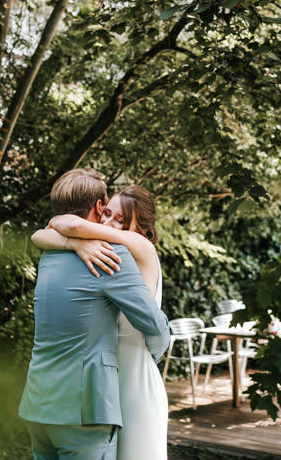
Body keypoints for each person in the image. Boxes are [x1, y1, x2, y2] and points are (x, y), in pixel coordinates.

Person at [18, 170, 170, 460]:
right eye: (108, 213)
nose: (110, 223)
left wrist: (70, 236)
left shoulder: (50, 254)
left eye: (121, 219)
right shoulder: (110, 256)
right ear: (99, 206)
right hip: (87, 406)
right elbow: (155, 325)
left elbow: (44, 233)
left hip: (40, 402)